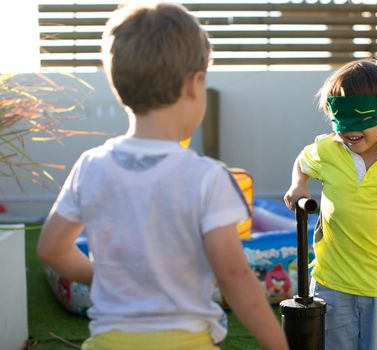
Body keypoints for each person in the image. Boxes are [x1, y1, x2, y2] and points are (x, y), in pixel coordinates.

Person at [37, 2, 288, 350]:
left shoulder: (91, 165)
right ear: (194, 83)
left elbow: (52, 249)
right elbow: (234, 276)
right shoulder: (207, 177)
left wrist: (102, 276)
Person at [283, 59, 377, 350]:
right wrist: (298, 184)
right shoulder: (327, 150)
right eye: (341, 120)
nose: (349, 131)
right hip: (332, 282)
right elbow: (302, 162)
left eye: (360, 119)